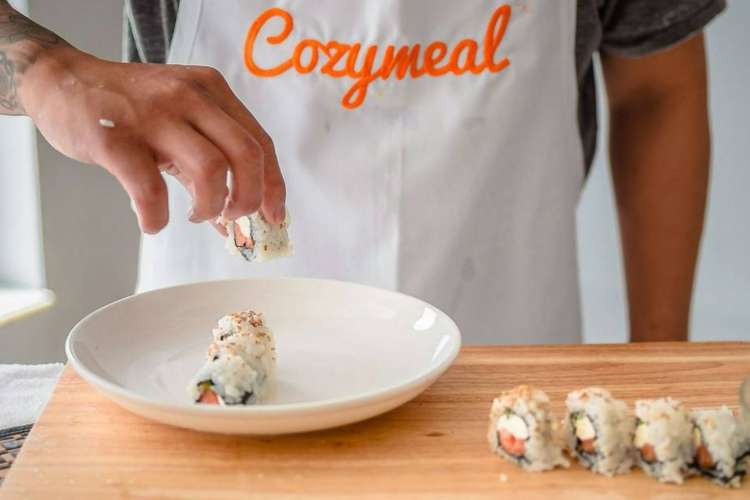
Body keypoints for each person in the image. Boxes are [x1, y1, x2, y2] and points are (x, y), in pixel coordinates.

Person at [0, 0, 725, 344]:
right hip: (215, 364)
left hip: (508, 359)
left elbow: (656, 89)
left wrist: (657, 363)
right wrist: (42, 67)